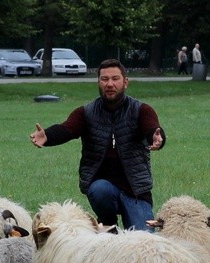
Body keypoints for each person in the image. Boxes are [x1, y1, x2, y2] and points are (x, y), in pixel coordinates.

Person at [30, 59, 166, 231]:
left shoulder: (141, 110)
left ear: (125, 82)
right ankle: (109, 225)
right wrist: (47, 136)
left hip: (136, 192)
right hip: (103, 190)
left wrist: (156, 136)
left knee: (145, 242)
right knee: (99, 189)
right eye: (104, 79)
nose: (110, 84)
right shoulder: (86, 112)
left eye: (115, 78)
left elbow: (151, 127)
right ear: (99, 82)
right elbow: (67, 128)